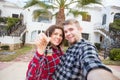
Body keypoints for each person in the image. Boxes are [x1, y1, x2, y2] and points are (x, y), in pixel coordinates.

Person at [52, 19, 119, 80]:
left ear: (80, 29)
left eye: (71, 29)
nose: (68, 33)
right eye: (65, 32)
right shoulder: (71, 48)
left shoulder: (85, 46)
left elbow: (91, 62)